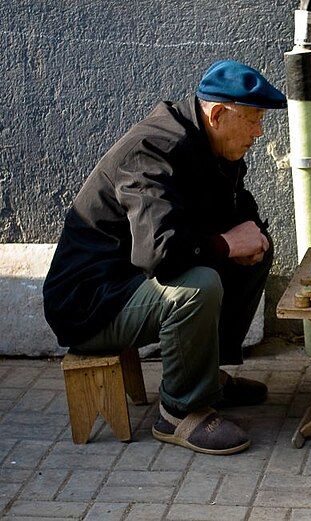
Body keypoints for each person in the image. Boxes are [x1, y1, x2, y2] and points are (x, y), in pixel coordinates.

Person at [43, 59, 287, 455]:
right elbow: (160, 254)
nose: (259, 132)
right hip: (91, 303)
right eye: (254, 120)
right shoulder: (152, 151)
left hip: (129, 281)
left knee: (256, 246)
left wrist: (248, 236)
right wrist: (226, 245)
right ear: (220, 114)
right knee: (197, 286)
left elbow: (234, 206)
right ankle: (179, 412)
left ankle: (207, 375)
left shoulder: (211, 142)